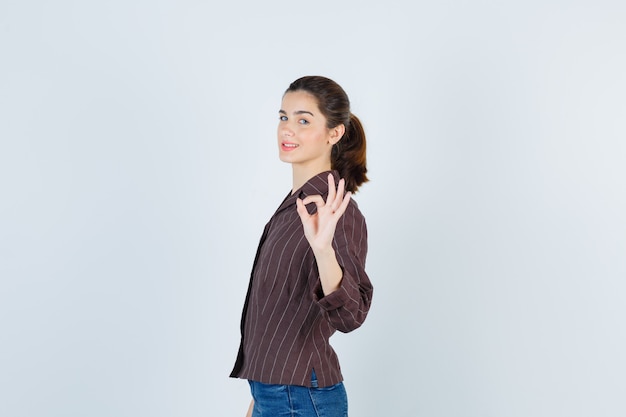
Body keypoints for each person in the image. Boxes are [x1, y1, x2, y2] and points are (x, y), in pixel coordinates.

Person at [230, 75, 374, 417]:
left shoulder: (335, 210)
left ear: (334, 133)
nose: (287, 129)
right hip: (276, 393)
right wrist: (259, 399)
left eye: (303, 120)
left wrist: (323, 250)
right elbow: (277, 312)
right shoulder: (296, 205)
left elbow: (351, 316)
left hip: (301, 398)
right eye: (283, 117)